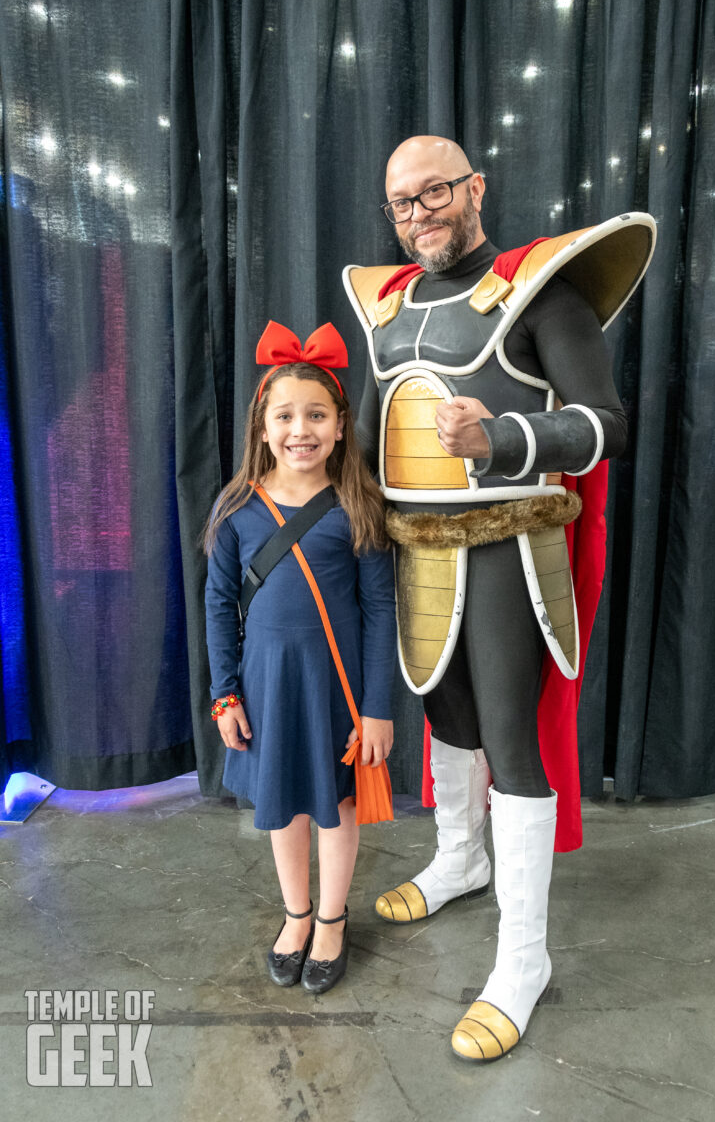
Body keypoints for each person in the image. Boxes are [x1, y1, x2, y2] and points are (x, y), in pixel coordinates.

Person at [343, 135, 655, 1060]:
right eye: (400, 203)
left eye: (433, 192)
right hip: (418, 551)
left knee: (515, 746)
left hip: (513, 552)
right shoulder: (388, 310)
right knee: (448, 717)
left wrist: (504, 436)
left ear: (474, 188)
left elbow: (605, 424)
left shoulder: (540, 293)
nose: (417, 214)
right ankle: (459, 858)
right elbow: (370, 436)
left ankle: (524, 959)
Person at [203, 320, 395, 995]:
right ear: (263, 428)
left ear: (341, 425)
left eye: (316, 414)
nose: (300, 429)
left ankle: (334, 920)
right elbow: (218, 606)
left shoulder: (358, 506)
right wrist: (225, 694)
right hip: (263, 690)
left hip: (334, 692)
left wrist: (376, 710)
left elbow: (381, 612)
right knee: (283, 806)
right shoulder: (237, 508)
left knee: (335, 807)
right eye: (285, 415)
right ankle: (297, 914)